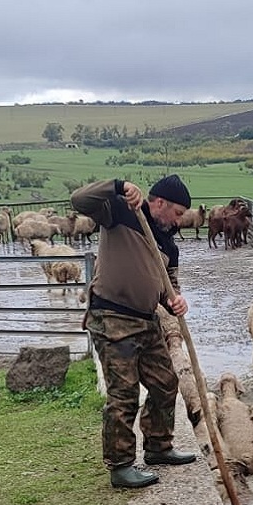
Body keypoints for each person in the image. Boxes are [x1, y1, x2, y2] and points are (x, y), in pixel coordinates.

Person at [72, 175, 198, 488]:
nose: (180, 220)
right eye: (178, 213)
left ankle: (158, 446)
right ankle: (121, 465)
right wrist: (117, 186)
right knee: (124, 393)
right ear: (160, 203)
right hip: (112, 316)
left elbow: (169, 285)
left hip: (146, 320)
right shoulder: (122, 212)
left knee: (166, 383)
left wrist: (175, 302)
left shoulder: (169, 242)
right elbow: (79, 200)